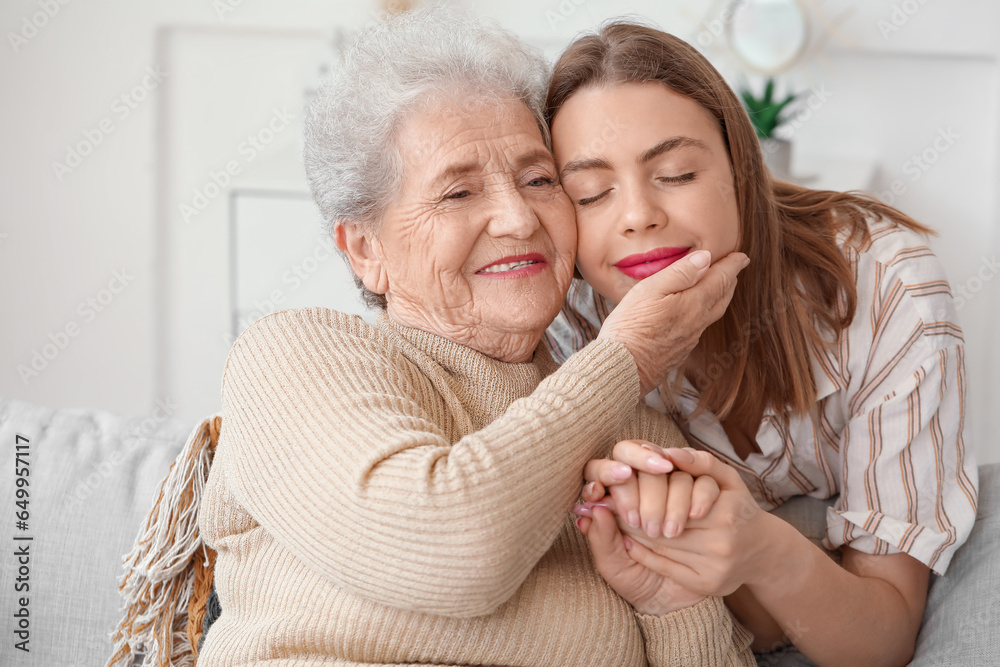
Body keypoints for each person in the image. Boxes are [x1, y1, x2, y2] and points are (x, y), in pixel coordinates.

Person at [195, 9, 755, 666]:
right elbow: (453, 549)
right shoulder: (295, 358)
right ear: (365, 248)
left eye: (539, 179)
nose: (519, 218)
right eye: (458, 192)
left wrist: (671, 601)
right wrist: (627, 355)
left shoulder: (638, 434)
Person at [543, 22, 979, 667]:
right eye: (593, 193)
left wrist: (763, 550)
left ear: (740, 169)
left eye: (678, 173)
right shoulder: (563, 326)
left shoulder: (886, 282)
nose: (637, 214)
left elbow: (883, 638)